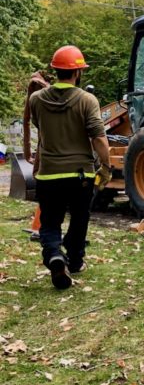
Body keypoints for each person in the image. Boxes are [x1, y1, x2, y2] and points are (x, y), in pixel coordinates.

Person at [28, 45, 111, 290]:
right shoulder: (87, 100)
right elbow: (98, 138)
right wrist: (106, 166)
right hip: (80, 174)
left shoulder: (36, 100)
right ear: (78, 72)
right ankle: (74, 261)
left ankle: (54, 254)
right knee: (79, 218)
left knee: (50, 221)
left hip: (48, 174)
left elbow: (39, 127)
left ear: (55, 70)